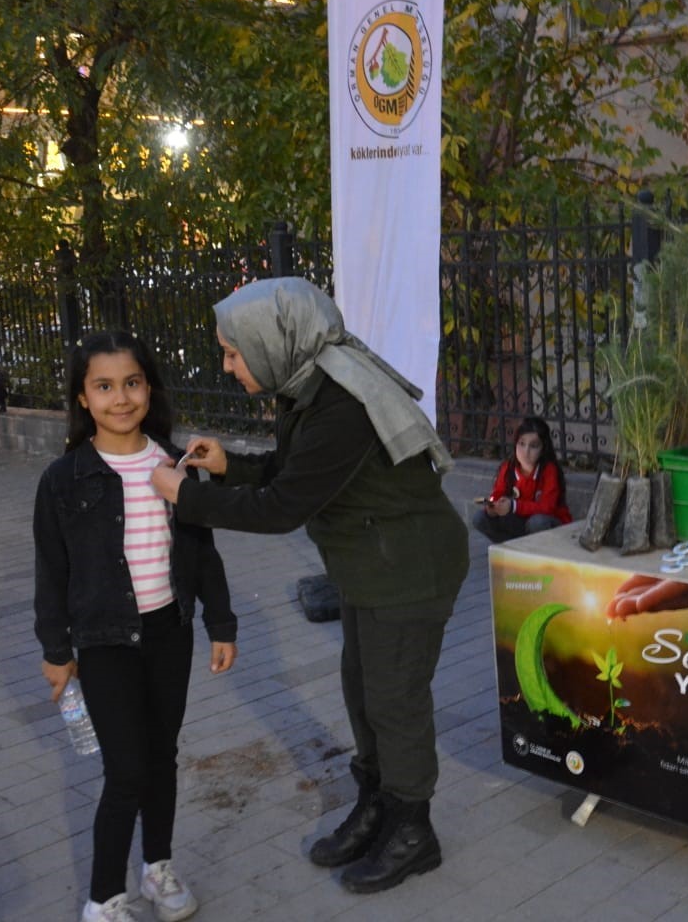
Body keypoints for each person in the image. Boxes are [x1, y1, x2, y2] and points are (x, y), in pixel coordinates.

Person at [149, 277, 469, 896]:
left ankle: (412, 831)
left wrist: (188, 497)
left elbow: (282, 507)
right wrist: (226, 466)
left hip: (408, 569)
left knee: (394, 701)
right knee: (362, 691)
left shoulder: (341, 402)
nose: (228, 365)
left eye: (233, 352)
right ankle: (377, 806)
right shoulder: (313, 387)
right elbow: (297, 473)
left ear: (273, 340)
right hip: (371, 565)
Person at [33, 331, 238, 922]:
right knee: (125, 771)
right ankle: (102, 899)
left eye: (131, 383)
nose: (120, 398)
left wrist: (221, 623)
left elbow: (202, 553)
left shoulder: (176, 464)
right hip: (104, 644)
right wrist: (56, 649)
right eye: (104, 386)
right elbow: (52, 572)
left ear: (149, 388)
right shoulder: (63, 479)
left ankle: (157, 869)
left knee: (163, 756)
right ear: (82, 398)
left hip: (169, 632)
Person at [470, 416, 572, 542]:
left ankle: (537, 554)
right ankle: (510, 551)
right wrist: (494, 507)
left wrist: (514, 506)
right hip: (519, 522)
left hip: (548, 524)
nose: (526, 451)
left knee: (537, 522)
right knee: (480, 518)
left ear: (543, 449)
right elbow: (498, 493)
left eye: (533, 446)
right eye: (522, 444)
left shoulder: (549, 470)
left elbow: (547, 507)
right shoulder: (508, 467)